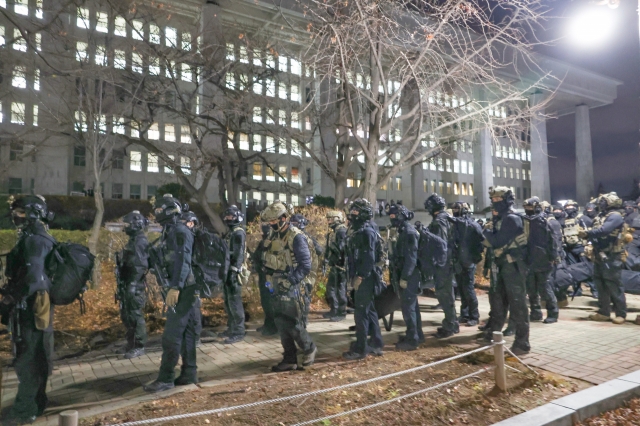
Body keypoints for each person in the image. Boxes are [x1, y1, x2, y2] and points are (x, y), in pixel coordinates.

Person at [1, 195, 55, 424]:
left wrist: (11, 298)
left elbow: (34, 277)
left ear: (33, 213)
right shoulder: (34, 236)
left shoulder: (35, 240)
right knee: (36, 354)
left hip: (32, 305)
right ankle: (37, 403)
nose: (16, 216)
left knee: (29, 357)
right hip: (34, 302)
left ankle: (24, 410)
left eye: (21, 212)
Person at [145, 194, 200, 392]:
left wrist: (175, 287)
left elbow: (183, 261)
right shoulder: (172, 230)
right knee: (188, 333)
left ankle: (166, 377)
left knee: (172, 334)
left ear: (169, 210)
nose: (156, 214)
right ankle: (189, 373)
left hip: (184, 288)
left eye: (159, 211)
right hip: (186, 287)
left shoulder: (180, 231)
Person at [261, 201, 317, 371]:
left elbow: (305, 265)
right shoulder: (275, 235)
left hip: (293, 285)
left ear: (284, 218)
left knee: (293, 323)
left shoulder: (296, 237)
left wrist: (290, 281)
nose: (271, 224)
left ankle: (309, 349)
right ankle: (289, 357)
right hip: (277, 283)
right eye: (269, 222)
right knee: (281, 322)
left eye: (273, 221)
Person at [482, 187, 530, 355]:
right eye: (493, 199)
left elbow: (497, 241)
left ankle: (522, 342)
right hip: (503, 265)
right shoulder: (501, 218)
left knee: (518, 304)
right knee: (498, 301)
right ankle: (495, 334)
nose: (495, 202)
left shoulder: (511, 218)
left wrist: (486, 231)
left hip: (514, 267)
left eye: (498, 199)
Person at [343, 198, 384, 360]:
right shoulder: (364, 229)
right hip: (367, 276)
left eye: (356, 212)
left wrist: (360, 277)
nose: (352, 214)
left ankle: (361, 349)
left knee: (361, 313)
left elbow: (368, 258)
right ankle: (376, 343)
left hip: (366, 277)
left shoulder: (366, 231)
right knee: (370, 310)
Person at [579, 193, 628, 324]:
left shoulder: (615, 217)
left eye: (603, 202)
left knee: (614, 285)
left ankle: (621, 313)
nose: (600, 204)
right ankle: (604, 312)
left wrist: (587, 233)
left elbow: (604, 230)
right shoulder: (601, 216)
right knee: (600, 284)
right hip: (599, 254)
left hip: (612, 256)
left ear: (610, 203)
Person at [388, 203, 423, 351]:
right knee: (412, 306)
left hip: (409, 276)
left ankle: (412, 339)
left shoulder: (409, 233)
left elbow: (411, 258)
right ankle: (416, 334)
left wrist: (405, 277)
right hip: (406, 274)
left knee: (408, 308)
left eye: (394, 216)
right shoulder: (403, 231)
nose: (392, 218)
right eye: (390, 216)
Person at [115, 210, 149, 359]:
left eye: (128, 224)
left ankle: (138, 346)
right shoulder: (134, 240)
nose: (125, 227)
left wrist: (133, 284)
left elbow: (141, 265)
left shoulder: (140, 242)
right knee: (127, 314)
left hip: (134, 284)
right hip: (127, 282)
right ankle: (130, 343)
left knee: (135, 314)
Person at [425, 193, 459, 338]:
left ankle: (450, 325)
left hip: (443, 264)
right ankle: (452, 323)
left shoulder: (439, 221)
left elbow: (441, 244)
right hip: (449, 262)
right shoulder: (448, 218)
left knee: (445, 294)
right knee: (447, 294)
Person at [523, 197, 558, 324]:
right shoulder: (525, 220)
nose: (528, 210)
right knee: (531, 289)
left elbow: (553, 241)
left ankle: (553, 313)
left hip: (543, 260)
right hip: (529, 260)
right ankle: (535, 312)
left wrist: (553, 257)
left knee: (545, 289)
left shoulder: (545, 221)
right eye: (526, 208)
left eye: (530, 208)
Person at [451, 202, 482, 327]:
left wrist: (473, 257)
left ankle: (474, 315)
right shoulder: (455, 224)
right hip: (458, 260)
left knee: (469, 290)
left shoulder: (471, 224)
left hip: (468, 261)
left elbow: (479, 241)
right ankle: (464, 314)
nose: (454, 211)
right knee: (462, 289)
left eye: (457, 209)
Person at [220, 205, 247, 344]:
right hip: (227, 270)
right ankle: (231, 328)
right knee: (228, 301)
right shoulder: (230, 232)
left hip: (234, 272)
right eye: (227, 216)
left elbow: (239, 254)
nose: (229, 218)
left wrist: (234, 270)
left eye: (231, 216)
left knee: (235, 302)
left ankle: (239, 331)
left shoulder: (238, 233)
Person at [252, 223, 278, 336]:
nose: (264, 232)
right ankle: (268, 323)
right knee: (265, 301)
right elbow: (258, 256)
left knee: (270, 301)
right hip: (263, 275)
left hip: (271, 276)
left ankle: (273, 326)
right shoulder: (264, 242)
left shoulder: (275, 241)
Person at [541, 201, 568, 308]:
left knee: (554, 278)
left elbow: (556, 241)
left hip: (554, 256)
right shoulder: (544, 221)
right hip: (547, 255)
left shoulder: (552, 222)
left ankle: (560, 300)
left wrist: (555, 256)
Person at [323, 210, 349, 322]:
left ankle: (341, 312)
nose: (329, 221)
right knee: (331, 288)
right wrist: (326, 260)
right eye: (328, 219)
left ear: (337, 219)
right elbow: (330, 248)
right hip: (334, 265)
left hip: (341, 266)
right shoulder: (333, 232)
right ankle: (334, 309)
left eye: (331, 219)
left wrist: (335, 257)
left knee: (340, 289)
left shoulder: (341, 231)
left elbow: (341, 249)